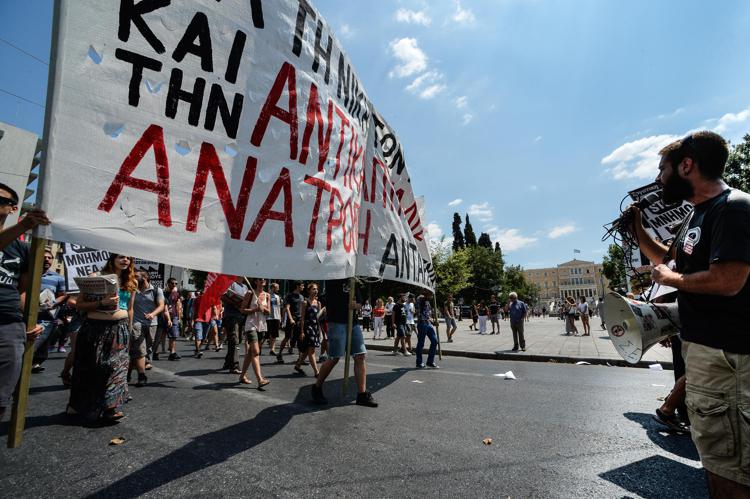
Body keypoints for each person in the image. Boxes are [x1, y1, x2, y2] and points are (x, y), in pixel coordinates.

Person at [630, 131, 750, 496]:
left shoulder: (733, 207)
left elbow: (728, 279)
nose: (658, 179)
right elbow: (667, 260)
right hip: (709, 355)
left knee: (729, 470)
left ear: (686, 165)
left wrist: (671, 279)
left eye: (662, 169)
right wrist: (637, 229)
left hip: (727, 358)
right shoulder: (698, 214)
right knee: (720, 464)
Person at [68, 254, 136, 422]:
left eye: (128, 258)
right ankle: (78, 405)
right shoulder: (95, 277)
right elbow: (79, 304)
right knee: (90, 366)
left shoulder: (131, 282)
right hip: (94, 328)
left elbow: (130, 308)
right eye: (121, 257)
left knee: (117, 367)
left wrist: (129, 330)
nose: (125, 260)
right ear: (112, 259)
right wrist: (101, 303)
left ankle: (110, 408)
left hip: (119, 329)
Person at [0, 184, 48, 420]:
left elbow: (21, 291)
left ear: (12, 208)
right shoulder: (20, 230)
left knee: (1, 395)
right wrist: (23, 226)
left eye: (1, 201)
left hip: (8, 324)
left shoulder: (22, 249)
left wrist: (29, 321)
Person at [311, 279, 377, 407]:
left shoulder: (355, 280)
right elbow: (329, 300)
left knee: (360, 355)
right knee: (334, 358)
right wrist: (347, 304)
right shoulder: (333, 279)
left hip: (353, 322)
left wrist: (356, 305)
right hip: (337, 321)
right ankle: (317, 387)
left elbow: (360, 301)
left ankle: (362, 394)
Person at [31, 247, 68, 373]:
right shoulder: (30, 272)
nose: (47, 259)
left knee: (41, 341)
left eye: (49, 257)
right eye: (44, 257)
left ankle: (35, 363)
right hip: (27, 313)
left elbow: (63, 294)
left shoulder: (58, 278)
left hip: (46, 316)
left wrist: (53, 303)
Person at [129, 270, 165, 385]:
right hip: (136, 323)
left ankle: (129, 370)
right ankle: (142, 376)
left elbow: (161, 305)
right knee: (140, 349)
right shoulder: (133, 289)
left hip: (151, 324)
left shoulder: (156, 290)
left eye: (136, 276)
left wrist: (152, 314)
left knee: (147, 349)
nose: (133, 278)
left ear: (144, 278)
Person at [239, 278, 270, 388]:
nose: (262, 281)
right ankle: (260, 379)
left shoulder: (267, 295)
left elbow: (268, 312)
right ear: (256, 282)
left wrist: (263, 308)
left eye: (264, 280)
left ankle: (242, 376)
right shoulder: (250, 293)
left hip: (262, 326)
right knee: (256, 352)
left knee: (251, 353)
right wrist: (255, 309)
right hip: (251, 325)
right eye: (260, 279)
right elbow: (242, 310)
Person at [221, 276, 248, 373]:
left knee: (237, 340)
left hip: (241, 316)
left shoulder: (245, 287)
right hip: (231, 315)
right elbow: (223, 296)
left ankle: (228, 362)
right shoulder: (230, 283)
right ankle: (234, 366)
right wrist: (234, 303)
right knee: (234, 339)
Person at [295, 282, 322, 376]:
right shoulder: (305, 302)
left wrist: (320, 331)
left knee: (307, 350)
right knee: (311, 350)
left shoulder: (318, 303)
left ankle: (298, 365)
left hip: (315, 328)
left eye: (316, 289)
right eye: (313, 289)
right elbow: (302, 318)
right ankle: (316, 372)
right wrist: (302, 331)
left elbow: (318, 318)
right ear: (309, 291)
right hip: (308, 328)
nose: (316, 291)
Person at [278, 281, 304, 363]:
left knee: (300, 338)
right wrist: (290, 319)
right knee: (287, 337)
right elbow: (287, 308)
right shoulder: (289, 296)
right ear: (297, 286)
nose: (303, 287)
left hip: (299, 319)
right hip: (292, 319)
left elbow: (302, 309)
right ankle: (279, 354)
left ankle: (300, 358)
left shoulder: (302, 297)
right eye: (302, 286)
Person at [159, 278, 181, 361]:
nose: (174, 285)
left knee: (174, 335)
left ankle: (172, 352)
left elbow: (178, 305)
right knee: (161, 334)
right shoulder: (163, 293)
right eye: (172, 283)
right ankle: (157, 351)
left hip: (174, 316)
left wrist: (179, 317)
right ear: (167, 283)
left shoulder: (176, 294)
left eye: (176, 283)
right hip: (163, 316)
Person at [415, 291, 439, 369]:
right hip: (422, 323)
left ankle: (430, 361)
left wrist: (433, 321)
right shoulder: (420, 298)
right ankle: (419, 362)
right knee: (421, 343)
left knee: (435, 341)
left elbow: (428, 314)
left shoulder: (428, 302)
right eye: (431, 294)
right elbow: (419, 313)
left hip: (428, 324)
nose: (432, 296)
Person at [266, 282, 282, 356]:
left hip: (276, 317)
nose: (278, 288)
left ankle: (272, 349)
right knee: (267, 334)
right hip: (268, 317)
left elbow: (278, 307)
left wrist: (280, 317)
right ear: (272, 288)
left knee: (275, 334)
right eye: (276, 287)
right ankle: (259, 346)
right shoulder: (267, 295)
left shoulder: (278, 297)